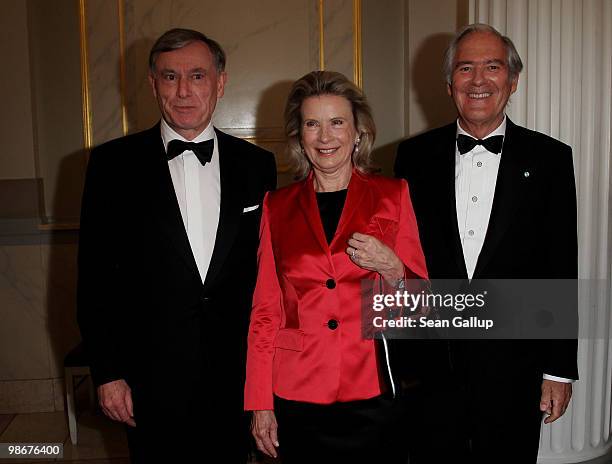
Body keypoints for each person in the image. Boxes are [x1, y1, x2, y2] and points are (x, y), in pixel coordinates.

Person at [77, 28, 276, 462]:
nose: (184, 91)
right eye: (170, 77)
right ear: (152, 84)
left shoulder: (258, 166)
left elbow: (269, 279)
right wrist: (108, 373)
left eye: (198, 76)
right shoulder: (112, 165)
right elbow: (94, 281)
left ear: (221, 83)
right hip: (150, 378)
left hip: (235, 375)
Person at [395, 23, 578, 463]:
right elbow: (401, 259)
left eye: (492, 67)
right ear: (449, 83)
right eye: (465, 68)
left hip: (516, 364)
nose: (478, 80)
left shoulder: (552, 159)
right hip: (432, 364)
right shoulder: (412, 157)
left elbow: (560, 265)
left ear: (513, 81)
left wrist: (558, 370)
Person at [244, 70, 428, 464]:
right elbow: (265, 313)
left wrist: (395, 270)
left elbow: (423, 307)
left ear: (358, 131)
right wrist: (260, 402)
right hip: (296, 394)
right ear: (300, 135)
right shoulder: (275, 207)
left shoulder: (393, 196)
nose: (325, 137)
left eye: (337, 122)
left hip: (374, 390)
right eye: (312, 124)